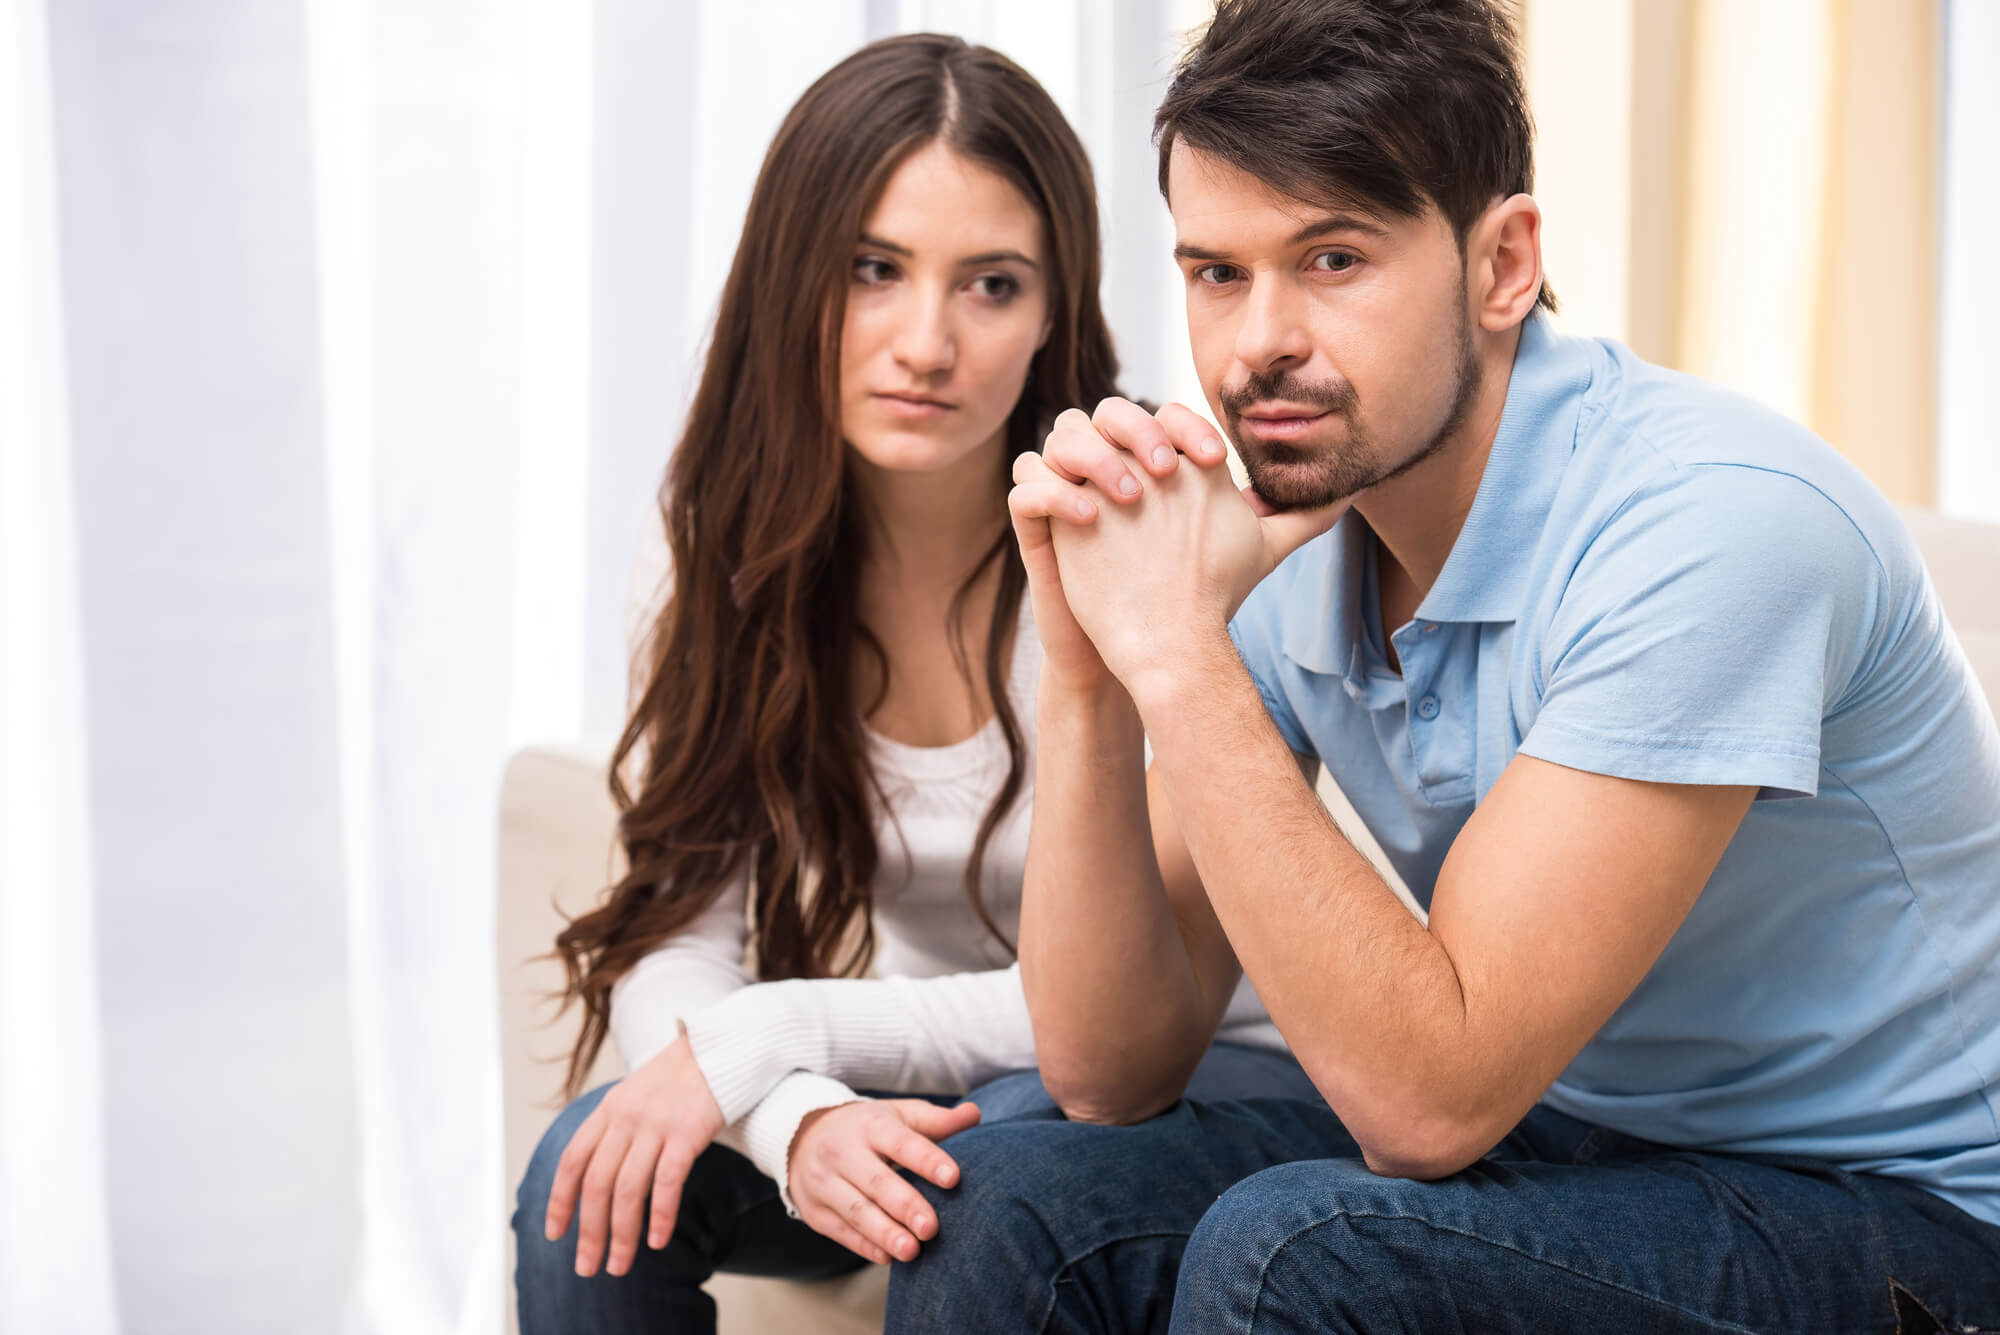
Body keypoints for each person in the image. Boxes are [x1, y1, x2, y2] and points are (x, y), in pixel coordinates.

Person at [887, 1, 2000, 1331]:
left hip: (1911, 1213)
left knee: (1300, 1252)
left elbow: (1428, 1105)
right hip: (1582, 1143)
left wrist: (1179, 653)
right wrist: (1088, 663)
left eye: (1334, 258)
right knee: (1003, 1194)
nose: (1257, 343)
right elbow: (1109, 1070)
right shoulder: (1296, 529)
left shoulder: (1713, 524)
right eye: (1218, 273)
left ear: (1503, 264)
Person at [511, 32, 1301, 1334]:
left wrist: (771, 1040)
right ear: (790, 279)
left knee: (981, 1166)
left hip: (1205, 1069)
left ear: (1054, 316)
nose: (926, 343)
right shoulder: (732, 552)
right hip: (951, 1078)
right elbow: (675, 942)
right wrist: (795, 1115)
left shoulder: (1145, 536)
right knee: (584, 1177)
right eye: (872, 270)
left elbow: (1109, 1025)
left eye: (991, 285)